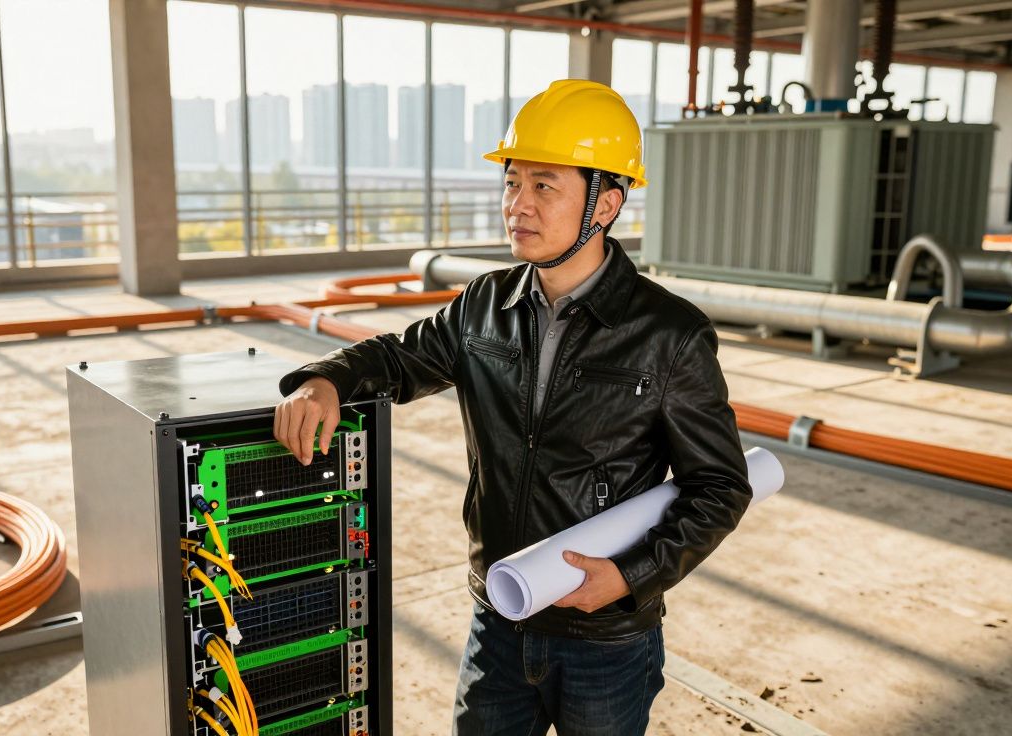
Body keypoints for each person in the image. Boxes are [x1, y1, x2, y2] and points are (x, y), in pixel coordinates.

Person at [274, 79, 752, 735]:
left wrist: (630, 576)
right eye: (511, 182)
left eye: (544, 185)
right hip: (499, 616)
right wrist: (325, 379)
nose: (516, 205)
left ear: (606, 203)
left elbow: (720, 486)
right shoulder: (483, 305)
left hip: (605, 638)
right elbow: (396, 359)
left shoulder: (668, 333)